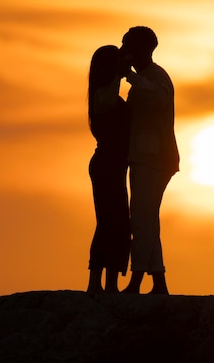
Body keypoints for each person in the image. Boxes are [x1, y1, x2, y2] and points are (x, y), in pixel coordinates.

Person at [119, 26, 180, 295]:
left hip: (154, 158)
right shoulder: (147, 77)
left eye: (127, 46)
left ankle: (136, 280)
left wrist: (130, 77)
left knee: (142, 219)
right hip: (144, 156)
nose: (124, 51)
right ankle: (159, 283)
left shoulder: (156, 77)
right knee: (147, 219)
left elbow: (158, 99)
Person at [86, 45, 131, 294]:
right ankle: (95, 283)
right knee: (107, 222)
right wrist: (119, 72)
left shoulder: (108, 94)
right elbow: (109, 98)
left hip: (115, 166)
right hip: (105, 165)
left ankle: (111, 283)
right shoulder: (101, 96)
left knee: (120, 223)